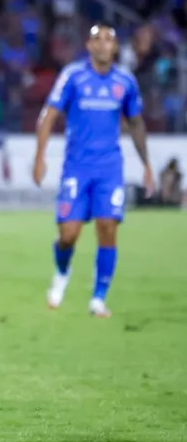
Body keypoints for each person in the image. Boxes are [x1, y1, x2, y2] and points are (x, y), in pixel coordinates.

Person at [33, 24, 154, 318]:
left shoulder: (125, 81)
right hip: (76, 166)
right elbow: (49, 114)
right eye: (97, 40)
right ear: (88, 46)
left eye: (109, 40)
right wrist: (39, 155)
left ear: (115, 48)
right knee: (69, 234)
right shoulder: (73, 76)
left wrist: (147, 165)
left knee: (108, 228)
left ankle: (98, 298)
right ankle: (62, 272)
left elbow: (135, 123)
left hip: (109, 167)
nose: (102, 45)